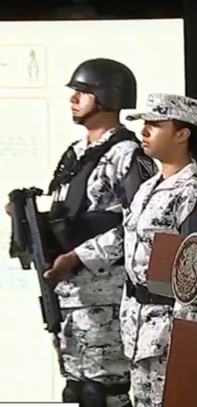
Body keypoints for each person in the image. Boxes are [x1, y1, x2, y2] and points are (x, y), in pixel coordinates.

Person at [8, 58, 154, 407]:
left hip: (106, 298)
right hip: (70, 296)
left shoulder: (128, 155)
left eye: (83, 91)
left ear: (107, 96)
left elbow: (140, 225)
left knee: (104, 394)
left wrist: (77, 257)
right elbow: (71, 217)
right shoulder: (75, 155)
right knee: (76, 390)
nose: (73, 99)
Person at [83, 93, 197, 406]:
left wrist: (187, 342)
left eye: (155, 125)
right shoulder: (147, 188)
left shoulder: (194, 192)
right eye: (144, 124)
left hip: (169, 333)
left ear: (182, 134)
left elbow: (196, 277)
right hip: (136, 326)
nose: (144, 131)